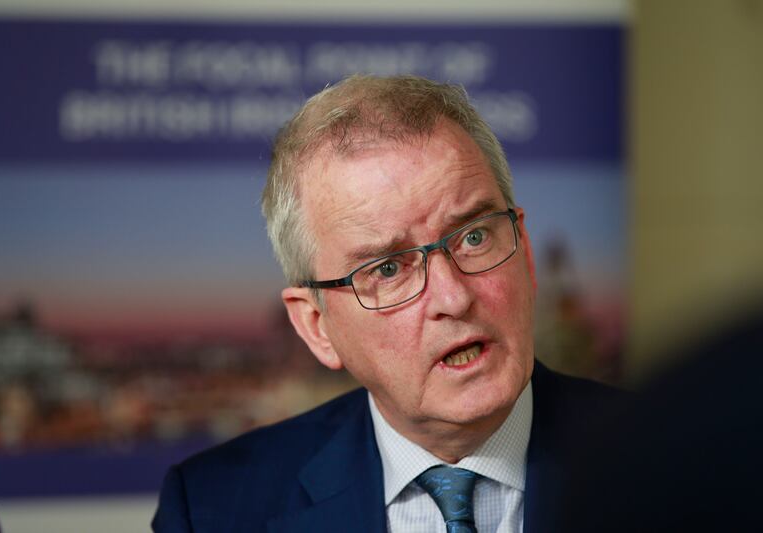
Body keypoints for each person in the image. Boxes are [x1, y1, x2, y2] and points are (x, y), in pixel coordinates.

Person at [153, 75, 620, 533]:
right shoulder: (212, 511)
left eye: (474, 237)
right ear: (316, 326)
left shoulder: (659, 464)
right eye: (389, 268)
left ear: (526, 255)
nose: (454, 298)